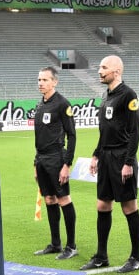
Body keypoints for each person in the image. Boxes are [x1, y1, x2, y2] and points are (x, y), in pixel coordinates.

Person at [80, 55, 139, 273]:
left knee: (129, 206)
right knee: (102, 205)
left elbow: (135, 132)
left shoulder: (128, 94)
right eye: (99, 67)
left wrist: (128, 163)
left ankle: (136, 257)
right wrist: (96, 155)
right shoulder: (106, 95)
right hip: (106, 158)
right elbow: (104, 131)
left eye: (104, 67)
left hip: (121, 158)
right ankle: (101, 256)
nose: (99, 71)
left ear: (116, 71)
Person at [33, 66, 78, 260]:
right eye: (39, 80)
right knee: (49, 200)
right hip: (42, 160)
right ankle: (56, 244)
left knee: (63, 200)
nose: (41, 83)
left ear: (54, 82)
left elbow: (72, 135)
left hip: (57, 159)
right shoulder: (40, 105)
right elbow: (39, 137)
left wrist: (66, 164)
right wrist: (36, 163)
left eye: (45, 80)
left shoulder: (62, 104)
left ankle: (71, 245)